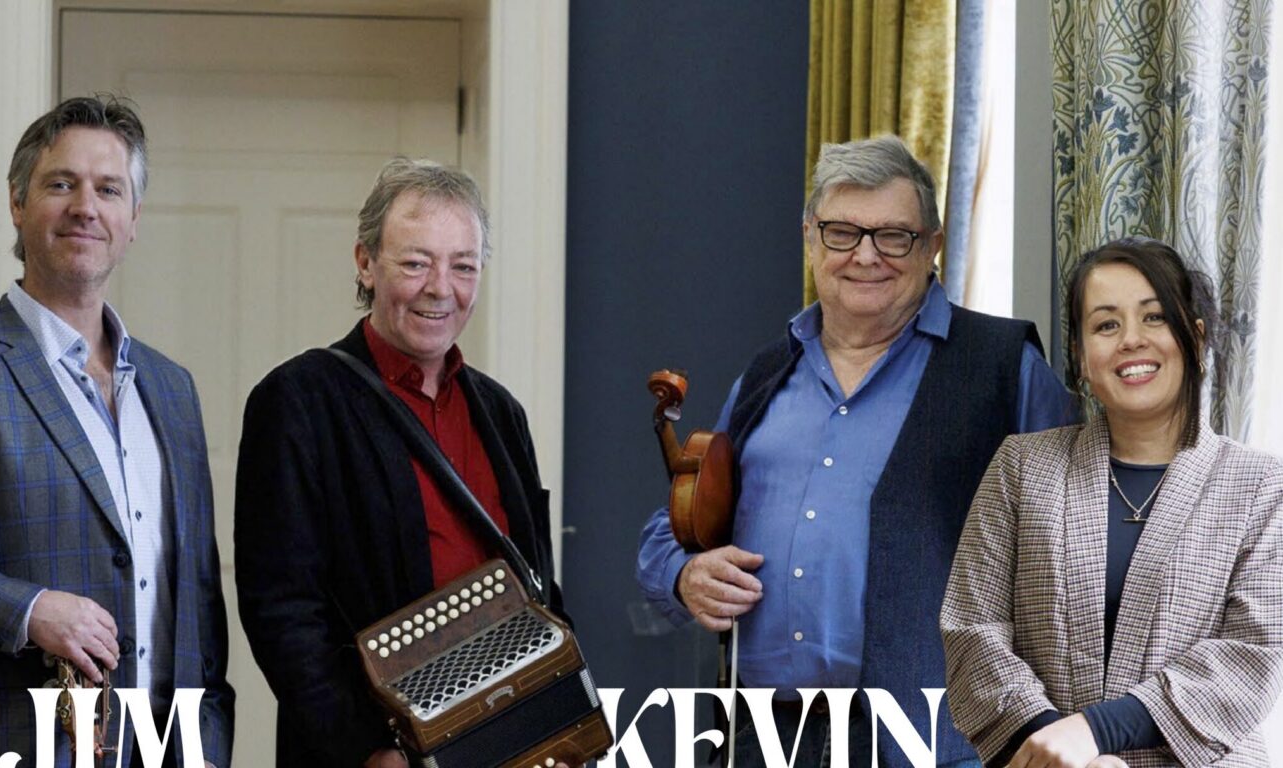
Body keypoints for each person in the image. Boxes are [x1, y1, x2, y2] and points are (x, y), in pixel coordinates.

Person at [635, 135, 1072, 767]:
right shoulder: (764, 378)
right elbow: (671, 528)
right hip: (763, 739)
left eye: (893, 236)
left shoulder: (1006, 371)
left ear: (932, 245)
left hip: (936, 744)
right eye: (842, 233)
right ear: (810, 237)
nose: (866, 256)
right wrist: (684, 576)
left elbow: (1080, 554)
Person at [0, 96, 234, 767]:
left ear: (133, 219)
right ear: (17, 203)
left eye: (109, 189)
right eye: (61, 184)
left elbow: (200, 604)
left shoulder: (172, 390)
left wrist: (204, 745)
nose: (85, 207)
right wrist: (29, 610)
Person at [234, 157, 565, 767]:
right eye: (415, 263)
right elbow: (281, 609)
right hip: (374, 752)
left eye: (463, 266)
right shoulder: (298, 400)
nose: (441, 288)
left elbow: (538, 583)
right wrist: (366, 751)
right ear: (366, 262)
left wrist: (557, 724)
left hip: (506, 743)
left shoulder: (502, 413)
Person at [941, 238, 1283, 768]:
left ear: (1195, 338)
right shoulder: (1021, 467)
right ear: (1080, 357)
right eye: (1106, 325)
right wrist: (1059, 748)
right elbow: (971, 631)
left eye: (1154, 317)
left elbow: (1254, 655)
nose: (1131, 340)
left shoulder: (1262, 485)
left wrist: (1093, 733)